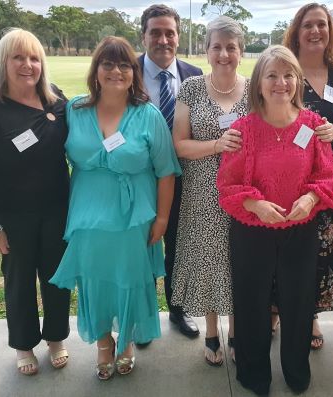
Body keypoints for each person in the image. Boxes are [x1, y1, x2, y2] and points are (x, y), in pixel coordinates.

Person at [50, 36, 180, 380]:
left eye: (124, 64)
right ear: (96, 70)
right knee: (94, 282)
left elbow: (166, 171)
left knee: (132, 280)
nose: (116, 71)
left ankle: (126, 344)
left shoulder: (147, 114)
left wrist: (164, 217)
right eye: (108, 63)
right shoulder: (74, 110)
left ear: (133, 72)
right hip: (88, 217)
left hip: (134, 216)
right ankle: (104, 344)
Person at [217, 45, 333, 395]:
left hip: (300, 230)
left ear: (297, 82)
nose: (280, 83)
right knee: (251, 302)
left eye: (288, 75)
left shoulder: (314, 126)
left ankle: (296, 370)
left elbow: (330, 176)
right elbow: (228, 183)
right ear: (259, 83)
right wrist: (256, 204)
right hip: (252, 232)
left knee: (299, 302)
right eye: (272, 75)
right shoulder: (244, 129)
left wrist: (312, 196)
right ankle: (254, 373)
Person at [0, 28, 70, 375]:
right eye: (18, 57)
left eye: (33, 57)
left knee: (57, 277)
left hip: (57, 210)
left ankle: (56, 337)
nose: (27, 64)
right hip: (12, 216)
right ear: (4, 61)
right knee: (19, 281)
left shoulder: (55, 99)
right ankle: (23, 344)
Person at [170, 15, 247, 366]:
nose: (224, 54)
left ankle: (238, 332)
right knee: (208, 261)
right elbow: (180, 145)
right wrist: (217, 145)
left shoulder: (254, 88)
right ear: (206, 51)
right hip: (202, 191)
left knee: (239, 261)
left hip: (246, 192)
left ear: (241, 52)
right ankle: (212, 331)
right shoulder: (191, 88)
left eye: (231, 47)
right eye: (217, 46)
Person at [283, 2, 333, 349]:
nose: (315, 31)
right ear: (297, 31)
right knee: (297, 248)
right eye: (308, 25)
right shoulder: (284, 71)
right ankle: (296, 315)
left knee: (328, 249)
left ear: (330, 32)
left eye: (322, 25)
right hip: (294, 177)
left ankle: (312, 314)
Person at [137, 3, 203, 338]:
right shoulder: (126, 73)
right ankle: (144, 318)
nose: (163, 40)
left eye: (170, 33)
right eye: (156, 33)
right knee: (141, 247)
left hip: (184, 180)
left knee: (179, 248)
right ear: (144, 35)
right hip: (138, 182)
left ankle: (178, 311)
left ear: (178, 37)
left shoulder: (195, 76)